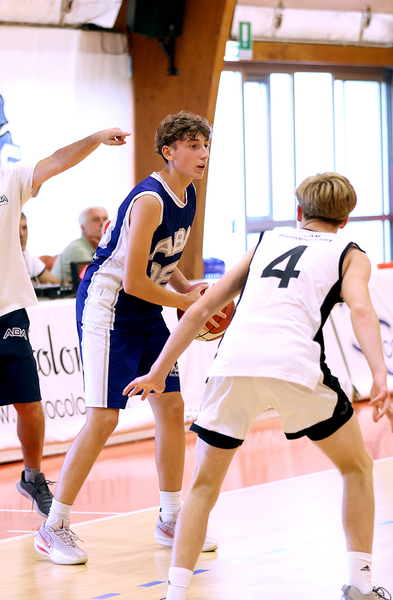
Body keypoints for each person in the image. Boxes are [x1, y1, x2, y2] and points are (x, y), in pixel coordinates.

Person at [124, 172, 393, 600]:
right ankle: (360, 585)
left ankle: (174, 594)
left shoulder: (267, 241)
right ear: (345, 219)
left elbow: (200, 309)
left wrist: (159, 370)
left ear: (299, 211)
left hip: (233, 365)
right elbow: (361, 309)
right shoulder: (351, 253)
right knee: (356, 467)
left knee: (203, 487)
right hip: (295, 366)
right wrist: (380, 375)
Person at [35, 110, 218, 565]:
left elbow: (164, 257)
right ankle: (52, 526)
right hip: (109, 306)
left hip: (146, 309)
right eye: (192, 145)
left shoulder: (189, 193)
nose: (202, 154)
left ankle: (170, 518)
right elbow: (134, 281)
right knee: (104, 418)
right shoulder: (151, 199)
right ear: (168, 151)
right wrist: (188, 304)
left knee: (172, 409)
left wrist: (187, 287)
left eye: (205, 145)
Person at [0, 127, 129, 518]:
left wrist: (95, 138)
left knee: (30, 405)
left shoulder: (9, 179)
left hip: (6, 313)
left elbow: (56, 161)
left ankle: (32, 477)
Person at [51, 205, 108, 282]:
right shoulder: (77, 249)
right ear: (83, 228)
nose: (102, 223)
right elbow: (100, 278)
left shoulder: (99, 246)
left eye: (105, 219)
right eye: (96, 220)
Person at [19, 213, 60, 284]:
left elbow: (54, 281)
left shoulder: (27, 256)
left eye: (24, 228)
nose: (21, 234)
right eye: (16, 229)